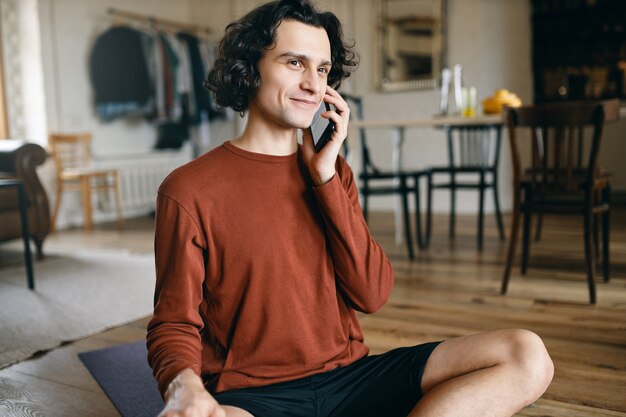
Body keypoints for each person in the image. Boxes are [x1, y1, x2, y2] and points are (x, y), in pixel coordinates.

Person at [147, 1, 554, 416]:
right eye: (294, 63)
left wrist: (325, 180)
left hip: (352, 381)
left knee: (526, 355)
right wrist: (185, 390)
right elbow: (174, 322)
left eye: (322, 70)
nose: (312, 83)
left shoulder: (333, 173)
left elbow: (372, 293)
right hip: (255, 396)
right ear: (249, 68)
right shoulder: (188, 190)